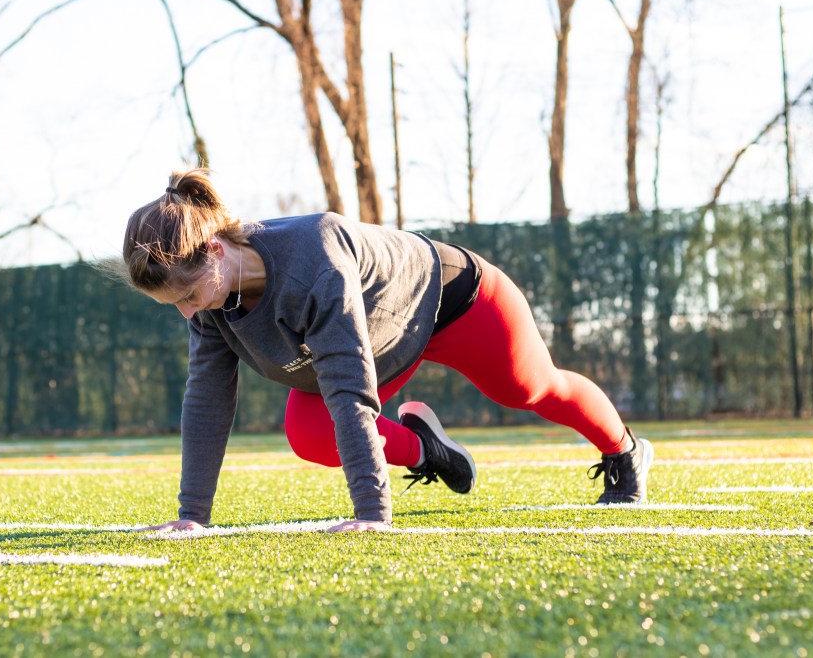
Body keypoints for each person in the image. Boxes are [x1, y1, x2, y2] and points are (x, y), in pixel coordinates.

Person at [115, 168, 653, 534]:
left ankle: (624, 451)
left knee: (532, 388)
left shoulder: (313, 260)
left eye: (187, 296)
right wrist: (193, 514)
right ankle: (427, 450)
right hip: (381, 335)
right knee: (311, 433)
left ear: (214, 250)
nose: (187, 313)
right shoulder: (212, 298)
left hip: (453, 300)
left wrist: (372, 511)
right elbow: (207, 399)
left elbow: (348, 387)